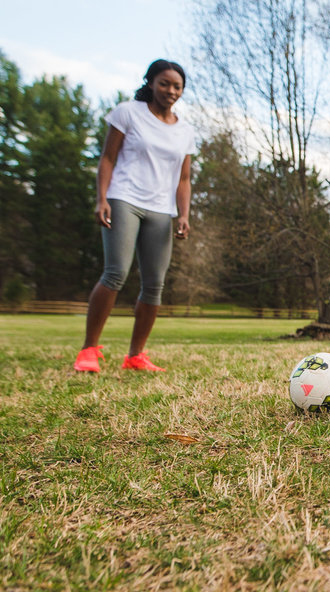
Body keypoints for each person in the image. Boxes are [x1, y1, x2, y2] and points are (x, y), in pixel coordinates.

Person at [73, 59, 196, 373]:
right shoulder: (127, 112)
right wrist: (101, 198)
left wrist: (184, 215)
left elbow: (184, 179)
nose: (171, 90)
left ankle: (135, 355)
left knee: (154, 284)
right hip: (124, 197)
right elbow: (108, 158)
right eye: (164, 83)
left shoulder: (184, 130)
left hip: (161, 208)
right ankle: (88, 349)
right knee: (115, 273)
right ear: (151, 83)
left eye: (177, 86)